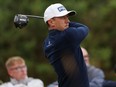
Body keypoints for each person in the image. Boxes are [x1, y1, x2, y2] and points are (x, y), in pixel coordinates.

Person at [43, 3, 89, 87]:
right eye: (62, 17)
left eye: (67, 17)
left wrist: (62, 23)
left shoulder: (46, 43)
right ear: (51, 22)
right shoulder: (68, 36)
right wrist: (69, 25)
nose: (68, 20)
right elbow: (85, 28)